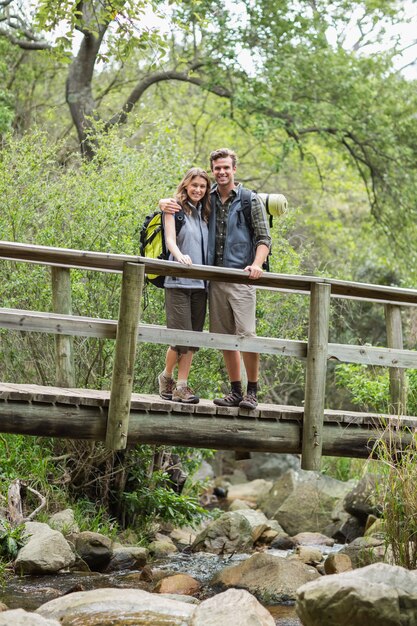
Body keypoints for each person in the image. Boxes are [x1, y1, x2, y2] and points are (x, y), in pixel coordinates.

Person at [160, 148, 271, 410]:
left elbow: (264, 238)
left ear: (234, 169)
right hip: (213, 280)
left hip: (242, 278)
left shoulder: (248, 200)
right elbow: (180, 204)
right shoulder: (206, 199)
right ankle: (235, 391)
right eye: (217, 168)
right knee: (223, 337)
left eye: (226, 168)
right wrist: (162, 203)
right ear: (213, 170)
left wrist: (256, 265)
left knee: (247, 335)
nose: (221, 172)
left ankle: (251, 392)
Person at [157, 167, 210, 404]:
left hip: (202, 284)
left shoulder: (207, 212)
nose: (198, 190)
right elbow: (169, 240)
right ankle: (177, 384)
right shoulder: (174, 209)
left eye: (202, 186)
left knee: (193, 339)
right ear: (186, 185)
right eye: (194, 185)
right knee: (181, 337)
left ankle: (173, 381)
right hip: (177, 281)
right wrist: (179, 256)